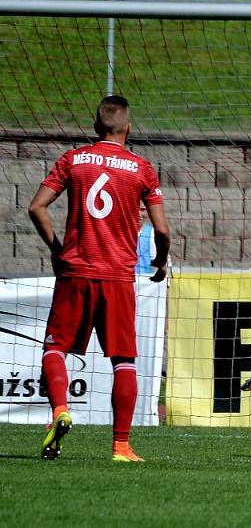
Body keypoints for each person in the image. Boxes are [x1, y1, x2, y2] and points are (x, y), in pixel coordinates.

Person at [28, 95, 170, 463]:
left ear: (95, 128)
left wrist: (57, 248)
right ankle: (121, 446)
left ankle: (60, 410)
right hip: (118, 276)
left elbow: (36, 207)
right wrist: (160, 259)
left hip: (76, 269)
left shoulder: (73, 159)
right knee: (123, 360)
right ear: (128, 129)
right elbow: (162, 230)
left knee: (55, 348)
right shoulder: (141, 168)